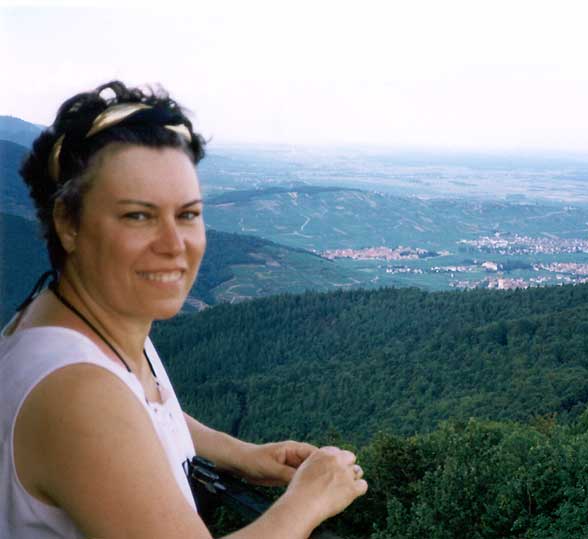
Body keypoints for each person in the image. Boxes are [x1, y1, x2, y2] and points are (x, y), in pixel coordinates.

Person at [0, 80, 367, 539]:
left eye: (188, 214)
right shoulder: (78, 391)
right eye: (138, 215)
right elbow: (108, 417)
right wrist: (307, 502)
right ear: (69, 224)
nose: (174, 245)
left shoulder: (91, 319)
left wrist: (240, 454)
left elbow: (141, 411)